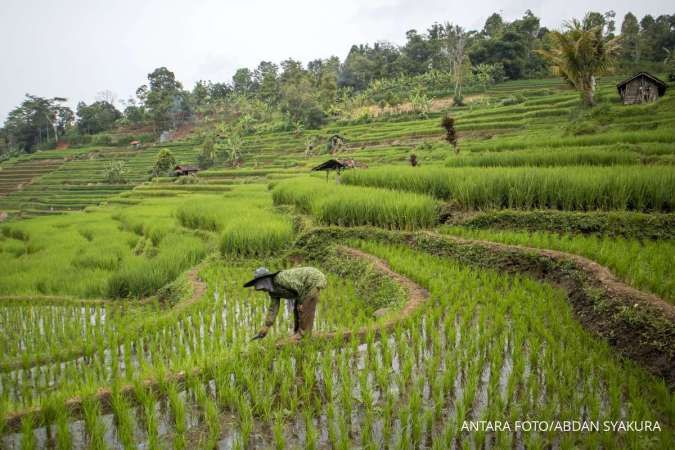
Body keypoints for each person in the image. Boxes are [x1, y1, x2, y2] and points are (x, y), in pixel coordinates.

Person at [243, 266, 327, 341]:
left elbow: (299, 287)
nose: (263, 290)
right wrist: (266, 326)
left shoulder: (280, 279)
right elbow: (273, 308)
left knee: (305, 308)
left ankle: (303, 336)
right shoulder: (273, 292)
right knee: (297, 309)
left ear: (266, 281)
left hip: (312, 280)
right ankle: (297, 332)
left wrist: (301, 303)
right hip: (304, 287)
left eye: (262, 286)